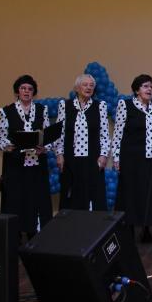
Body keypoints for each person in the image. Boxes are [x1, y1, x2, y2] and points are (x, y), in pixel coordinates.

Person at [0, 75, 52, 239]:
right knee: (15, 198)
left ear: (33, 92)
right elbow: (1, 136)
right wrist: (6, 145)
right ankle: (15, 235)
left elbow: (47, 134)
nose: (26, 91)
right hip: (15, 163)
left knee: (36, 198)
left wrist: (45, 147)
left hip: (36, 163)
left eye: (30, 89)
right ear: (17, 92)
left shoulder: (42, 110)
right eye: (23, 88)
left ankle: (35, 233)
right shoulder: (6, 111)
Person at [112, 74, 152, 243]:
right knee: (130, 193)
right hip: (131, 158)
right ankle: (129, 229)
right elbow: (118, 133)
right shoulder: (125, 105)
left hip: (150, 158)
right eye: (145, 86)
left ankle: (146, 229)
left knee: (147, 194)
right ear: (136, 90)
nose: (149, 89)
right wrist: (116, 158)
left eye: (151, 87)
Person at [56, 74, 110, 212]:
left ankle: (93, 224)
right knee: (71, 194)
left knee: (94, 194)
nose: (88, 88)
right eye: (85, 85)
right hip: (70, 159)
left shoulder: (100, 106)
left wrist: (104, 155)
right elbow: (60, 133)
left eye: (91, 85)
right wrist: (59, 154)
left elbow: (104, 134)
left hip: (93, 159)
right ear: (77, 88)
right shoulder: (65, 105)